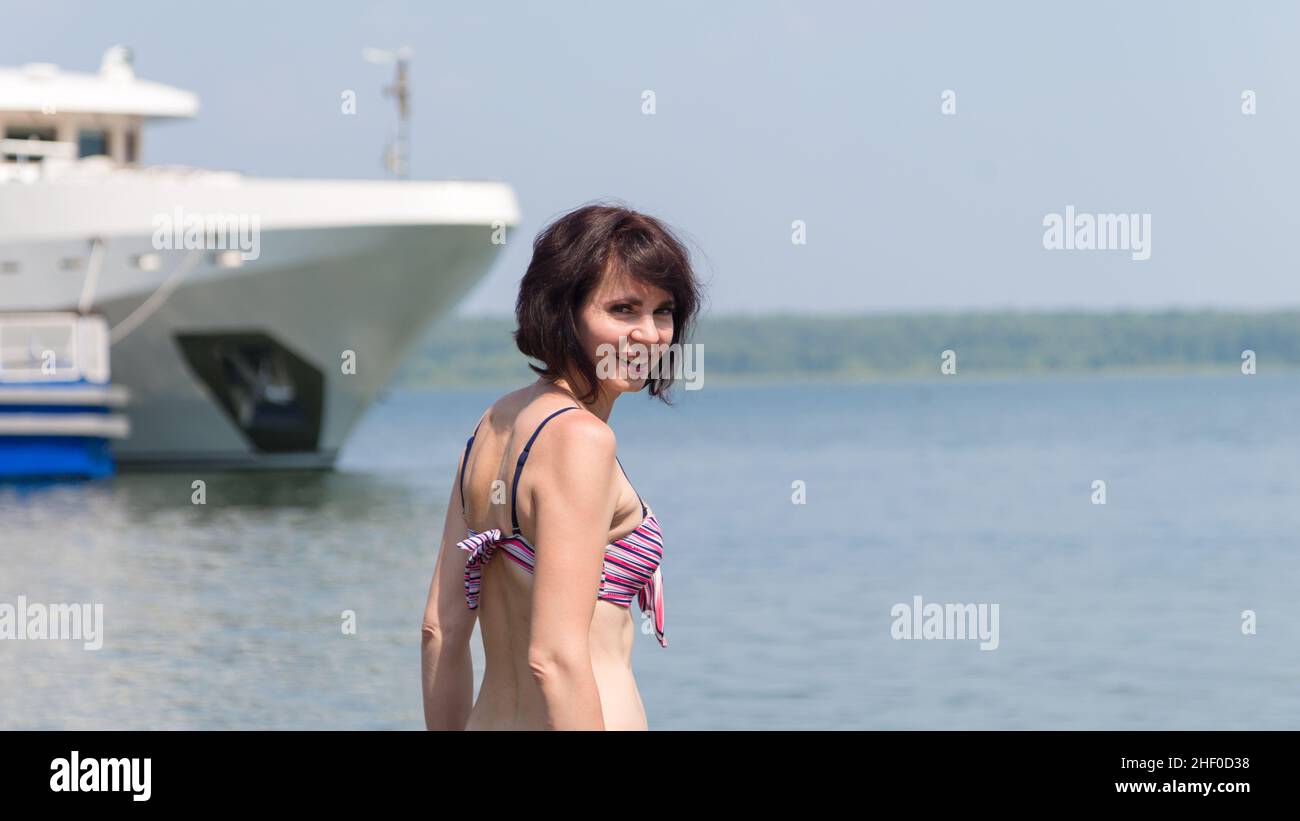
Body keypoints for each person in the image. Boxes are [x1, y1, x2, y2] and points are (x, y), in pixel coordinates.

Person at [421, 202, 703, 730]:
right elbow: (553, 658)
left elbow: (440, 630)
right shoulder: (580, 441)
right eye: (623, 310)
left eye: (662, 310)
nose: (649, 334)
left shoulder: (494, 424)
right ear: (562, 310)